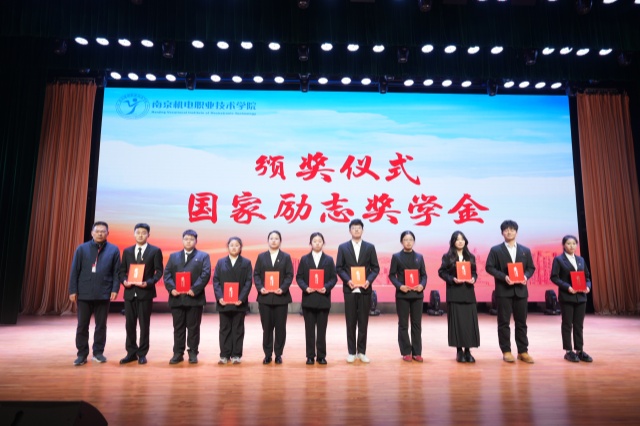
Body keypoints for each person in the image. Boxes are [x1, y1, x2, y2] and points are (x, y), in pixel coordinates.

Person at [68, 221, 121, 366]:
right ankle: (81, 354)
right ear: (92, 233)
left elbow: (116, 272)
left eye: (103, 231)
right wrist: (73, 290)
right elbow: (74, 271)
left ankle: (98, 352)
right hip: (84, 293)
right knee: (82, 325)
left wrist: (115, 289)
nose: (100, 234)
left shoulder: (113, 250)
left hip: (104, 293)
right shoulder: (82, 249)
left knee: (101, 325)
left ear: (108, 233)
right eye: (97, 231)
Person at [486, 220, 536, 363]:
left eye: (512, 229)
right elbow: (489, 267)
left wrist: (525, 276)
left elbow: (531, 268)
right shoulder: (496, 250)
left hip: (521, 291)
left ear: (516, 232)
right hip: (503, 291)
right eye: (506, 230)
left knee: (521, 322)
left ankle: (523, 351)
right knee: (503, 322)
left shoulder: (525, 250)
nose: (509, 232)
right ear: (502, 232)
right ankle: (506, 351)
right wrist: (504, 277)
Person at [117, 223, 163, 365]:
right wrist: (124, 281)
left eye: (144, 233)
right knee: (129, 325)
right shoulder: (127, 251)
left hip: (145, 293)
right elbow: (121, 271)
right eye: (138, 232)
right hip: (130, 293)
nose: (141, 235)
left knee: (144, 325)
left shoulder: (155, 251)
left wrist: (148, 283)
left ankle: (142, 354)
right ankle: (131, 353)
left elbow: (159, 271)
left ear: (148, 235)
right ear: (134, 234)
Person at [163, 229, 211, 365]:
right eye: (186, 239)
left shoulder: (203, 256)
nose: (188, 241)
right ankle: (178, 353)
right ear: (182, 240)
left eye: (191, 239)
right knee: (178, 327)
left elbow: (205, 274)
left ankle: (193, 352)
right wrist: (172, 289)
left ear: (196, 241)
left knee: (193, 327)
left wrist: (194, 289)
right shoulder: (173, 256)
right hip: (177, 297)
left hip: (194, 298)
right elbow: (167, 274)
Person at [336, 218, 380, 363]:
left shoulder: (369, 247)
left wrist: (369, 281)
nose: (356, 230)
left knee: (363, 322)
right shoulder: (343, 247)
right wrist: (348, 280)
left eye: (359, 228)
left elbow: (375, 268)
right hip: (349, 289)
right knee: (350, 322)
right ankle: (351, 352)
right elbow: (339, 268)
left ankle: (361, 352)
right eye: (354, 228)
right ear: (350, 230)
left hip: (365, 289)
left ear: (362, 230)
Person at [296, 232, 338, 365]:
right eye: (315, 241)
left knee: (321, 330)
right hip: (309, 299)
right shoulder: (304, 259)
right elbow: (299, 277)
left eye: (320, 241)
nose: (317, 243)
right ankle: (310, 356)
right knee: (309, 330)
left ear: (323, 243)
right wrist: (306, 287)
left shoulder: (329, 260)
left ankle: (321, 356)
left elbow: (334, 278)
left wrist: (326, 287)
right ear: (310, 243)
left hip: (323, 299)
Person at [438, 230, 480, 363]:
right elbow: (441, 272)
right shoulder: (447, 256)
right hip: (454, 292)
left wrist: (473, 278)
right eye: (457, 239)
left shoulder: (471, 256)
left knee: (469, 323)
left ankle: (468, 351)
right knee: (457, 323)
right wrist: (452, 279)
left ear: (465, 241)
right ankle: (459, 351)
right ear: (453, 242)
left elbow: (474, 272)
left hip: (468, 292)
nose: (460, 241)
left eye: (462, 239)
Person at [550, 235, 593, 363]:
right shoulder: (559, 259)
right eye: (569, 243)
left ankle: (579, 350)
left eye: (574, 243)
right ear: (564, 245)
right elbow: (554, 277)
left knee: (579, 325)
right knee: (567, 324)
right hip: (567, 296)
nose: (572, 246)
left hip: (581, 297)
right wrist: (567, 287)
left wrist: (588, 287)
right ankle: (568, 351)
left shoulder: (580, 260)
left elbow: (587, 277)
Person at [254, 230, 294, 364]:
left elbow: (289, 275)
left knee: (280, 328)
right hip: (265, 298)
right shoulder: (261, 257)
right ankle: (267, 354)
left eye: (276, 238)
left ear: (280, 241)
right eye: (271, 238)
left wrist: (282, 288)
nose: (274, 240)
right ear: (268, 241)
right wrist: (260, 288)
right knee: (267, 328)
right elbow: (256, 274)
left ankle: (278, 354)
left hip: (281, 298)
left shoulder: (286, 257)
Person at [213, 237, 253, 365]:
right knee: (224, 328)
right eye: (231, 245)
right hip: (224, 302)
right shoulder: (221, 262)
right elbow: (216, 281)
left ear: (240, 247)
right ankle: (224, 355)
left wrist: (241, 298)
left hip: (239, 303)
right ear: (228, 247)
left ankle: (236, 354)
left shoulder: (246, 263)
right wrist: (220, 297)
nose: (234, 247)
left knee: (238, 328)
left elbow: (248, 282)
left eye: (237, 245)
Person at [388, 230, 427, 362]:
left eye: (410, 240)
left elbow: (424, 275)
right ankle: (406, 351)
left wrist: (422, 285)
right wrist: (400, 286)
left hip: (417, 295)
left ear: (414, 241)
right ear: (401, 242)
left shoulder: (419, 257)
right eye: (405, 240)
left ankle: (417, 352)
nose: (408, 242)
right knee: (403, 324)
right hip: (402, 295)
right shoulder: (396, 257)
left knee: (417, 324)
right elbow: (392, 275)